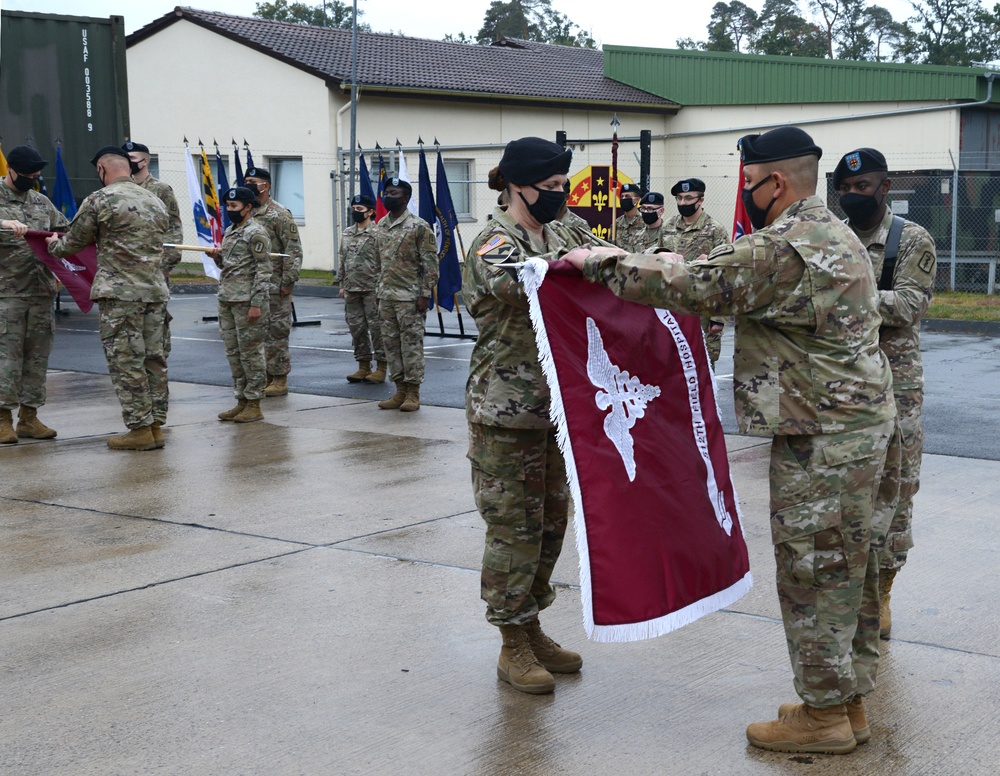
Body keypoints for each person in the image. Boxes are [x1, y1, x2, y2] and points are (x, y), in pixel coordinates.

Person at [564, 127, 896, 753]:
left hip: (821, 435)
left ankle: (823, 717)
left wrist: (596, 261)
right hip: (852, 428)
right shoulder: (831, 230)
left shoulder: (787, 245)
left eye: (747, 184)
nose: (743, 195)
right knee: (849, 564)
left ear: (775, 182)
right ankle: (844, 701)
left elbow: (690, 286)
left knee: (815, 570)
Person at [464, 136, 610, 696]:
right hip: (506, 412)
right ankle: (510, 642)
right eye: (548, 189)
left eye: (561, 187)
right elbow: (531, 285)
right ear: (517, 185)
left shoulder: (565, 228)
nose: (559, 196)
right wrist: (584, 264)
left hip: (559, 410)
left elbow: (602, 256)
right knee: (512, 530)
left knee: (551, 524)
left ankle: (531, 622)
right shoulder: (492, 243)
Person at [834, 147, 936, 640]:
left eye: (863, 187)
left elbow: (911, 304)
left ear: (885, 186)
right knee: (847, 496)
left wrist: (847, 296)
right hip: (843, 386)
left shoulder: (910, 238)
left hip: (898, 388)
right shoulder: (832, 236)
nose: (854, 196)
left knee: (895, 495)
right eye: (846, 189)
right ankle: (851, 593)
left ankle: (884, 595)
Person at [47, 146, 171, 451]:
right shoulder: (154, 199)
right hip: (154, 292)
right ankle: (155, 424)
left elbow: (73, 242)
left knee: (125, 360)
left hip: (121, 295)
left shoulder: (100, 199)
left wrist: (52, 244)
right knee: (153, 359)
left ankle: (139, 429)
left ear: (102, 169)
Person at [0, 145, 70, 444]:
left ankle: (29, 417)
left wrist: (58, 239)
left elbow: (66, 231)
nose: (33, 179)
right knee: (7, 358)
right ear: (10, 170)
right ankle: (2, 419)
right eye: (27, 174)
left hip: (40, 291)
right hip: (7, 294)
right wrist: (3, 224)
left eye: (36, 175)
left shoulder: (41, 202)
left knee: (37, 357)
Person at [206, 187, 271, 423]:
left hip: (247, 302)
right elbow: (231, 266)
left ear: (248, 207)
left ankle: (254, 403)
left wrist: (256, 304)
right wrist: (217, 257)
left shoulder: (256, 233)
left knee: (250, 353)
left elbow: (264, 271)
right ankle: (241, 400)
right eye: (228, 207)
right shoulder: (231, 231)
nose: (230, 210)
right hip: (227, 298)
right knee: (234, 353)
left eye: (234, 207)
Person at [373, 177, 438, 412]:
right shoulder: (380, 224)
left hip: (410, 297)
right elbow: (378, 262)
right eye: (386, 192)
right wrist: (378, 291)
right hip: (386, 295)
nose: (388, 196)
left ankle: (413, 393)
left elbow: (430, 263)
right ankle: (399, 390)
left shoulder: (419, 226)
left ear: (406, 197)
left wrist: (424, 293)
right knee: (391, 346)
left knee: (410, 346)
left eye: (394, 193)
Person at [243, 166, 302, 398]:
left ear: (265, 185)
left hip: (275, 283)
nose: (248, 184)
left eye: (253, 181)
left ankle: (279, 378)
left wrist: (288, 281)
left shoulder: (279, 214)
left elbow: (293, 251)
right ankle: (263, 376)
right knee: (255, 335)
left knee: (276, 333)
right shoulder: (246, 212)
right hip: (251, 284)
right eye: (246, 180)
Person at [123, 141, 184, 362]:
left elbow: (174, 229)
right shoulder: (120, 190)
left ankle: (158, 366)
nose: (128, 163)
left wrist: (167, 265)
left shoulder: (161, 190)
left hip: (154, 269)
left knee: (156, 321)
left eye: (132, 158)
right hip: (127, 270)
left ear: (145, 161)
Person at [661, 178, 730, 369]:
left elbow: (725, 274)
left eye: (689, 198)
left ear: (701, 200)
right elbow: (658, 263)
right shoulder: (667, 227)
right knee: (670, 366)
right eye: (680, 198)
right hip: (672, 309)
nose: (683, 203)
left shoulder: (715, 230)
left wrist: (719, 318)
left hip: (703, 311)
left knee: (703, 369)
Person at [338, 194, 386, 384]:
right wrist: (342, 284)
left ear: (370, 212)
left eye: (360, 209)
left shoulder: (378, 233)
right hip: (352, 289)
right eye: (354, 209)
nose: (355, 212)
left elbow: (384, 261)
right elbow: (343, 260)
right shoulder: (347, 233)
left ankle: (381, 367)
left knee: (377, 328)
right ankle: (363, 365)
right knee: (356, 328)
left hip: (372, 288)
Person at [613, 182, 644, 253]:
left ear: (637, 200)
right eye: (622, 196)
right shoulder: (616, 223)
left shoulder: (644, 222)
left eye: (627, 196)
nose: (624, 199)